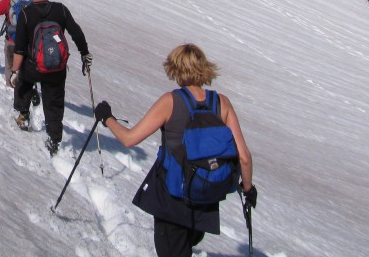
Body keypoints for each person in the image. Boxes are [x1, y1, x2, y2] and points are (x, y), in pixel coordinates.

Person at [95, 43, 255, 257]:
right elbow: (243, 157)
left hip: (173, 202)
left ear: (176, 69)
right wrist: (248, 189)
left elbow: (129, 139)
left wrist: (107, 118)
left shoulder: (171, 102)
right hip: (206, 202)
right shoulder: (221, 103)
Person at [10, 0, 91, 156]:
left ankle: (23, 114)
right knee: (54, 102)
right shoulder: (60, 10)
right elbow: (76, 32)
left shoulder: (26, 12)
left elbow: (20, 47)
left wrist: (14, 71)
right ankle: (54, 139)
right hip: (56, 67)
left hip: (32, 65)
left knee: (23, 84)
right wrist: (84, 52)